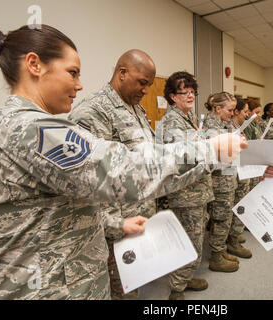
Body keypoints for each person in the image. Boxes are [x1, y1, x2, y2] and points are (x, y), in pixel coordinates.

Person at [0, 24, 247, 300]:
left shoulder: (32, 124)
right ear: (34, 65)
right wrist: (207, 149)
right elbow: (114, 170)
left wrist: (114, 223)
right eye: (72, 73)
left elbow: (61, 203)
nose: (79, 84)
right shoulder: (24, 127)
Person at [68, 49, 158, 299]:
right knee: (118, 290)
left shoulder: (137, 109)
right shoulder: (93, 111)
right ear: (122, 73)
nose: (146, 90)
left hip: (138, 217)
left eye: (149, 85)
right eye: (142, 83)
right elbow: (89, 179)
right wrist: (115, 226)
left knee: (133, 284)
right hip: (115, 228)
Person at [155, 71, 213, 300]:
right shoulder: (172, 121)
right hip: (186, 194)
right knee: (190, 240)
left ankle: (184, 278)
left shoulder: (187, 118)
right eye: (184, 92)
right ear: (172, 96)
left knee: (194, 238)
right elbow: (184, 157)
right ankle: (177, 288)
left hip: (197, 191)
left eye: (193, 91)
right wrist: (213, 149)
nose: (190, 95)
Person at [203, 92, 240, 273]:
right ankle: (216, 256)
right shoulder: (211, 128)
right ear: (217, 109)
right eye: (230, 110)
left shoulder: (224, 125)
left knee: (225, 217)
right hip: (219, 182)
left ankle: (221, 249)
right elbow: (209, 159)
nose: (232, 113)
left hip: (228, 178)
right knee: (220, 218)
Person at [227, 98, 252, 259]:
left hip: (243, 171)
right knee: (235, 206)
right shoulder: (229, 128)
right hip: (234, 173)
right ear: (236, 112)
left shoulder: (238, 127)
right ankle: (232, 240)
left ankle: (233, 235)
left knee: (240, 204)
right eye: (245, 111)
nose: (247, 114)